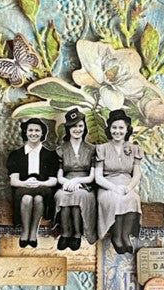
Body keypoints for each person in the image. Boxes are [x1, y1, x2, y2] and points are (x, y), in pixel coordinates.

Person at [95, 109, 144, 254]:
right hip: (107, 185)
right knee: (115, 199)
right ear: (109, 129)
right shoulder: (102, 149)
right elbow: (98, 177)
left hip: (127, 184)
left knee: (133, 199)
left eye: (121, 128)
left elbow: (137, 174)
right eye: (114, 127)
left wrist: (129, 187)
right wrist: (114, 188)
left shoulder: (134, 149)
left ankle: (125, 235)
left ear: (127, 129)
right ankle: (116, 237)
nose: (117, 131)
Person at [6, 118, 58, 248]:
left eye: (37, 130)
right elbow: (13, 181)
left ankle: (33, 232)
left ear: (42, 133)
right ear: (25, 132)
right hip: (23, 187)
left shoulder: (50, 155)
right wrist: (26, 184)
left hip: (43, 188)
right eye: (30, 130)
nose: (33, 133)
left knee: (39, 199)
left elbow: (54, 180)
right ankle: (25, 231)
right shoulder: (16, 155)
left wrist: (40, 183)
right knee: (27, 199)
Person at [55, 108, 97, 251]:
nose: (77, 129)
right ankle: (65, 233)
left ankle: (77, 234)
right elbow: (59, 176)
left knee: (79, 196)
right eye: (73, 126)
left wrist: (77, 181)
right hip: (66, 184)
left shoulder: (92, 149)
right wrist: (68, 183)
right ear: (68, 128)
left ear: (84, 127)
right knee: (61, 196)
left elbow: (92, 176)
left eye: (80, 125)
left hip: (85, 185)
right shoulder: (61, 149)